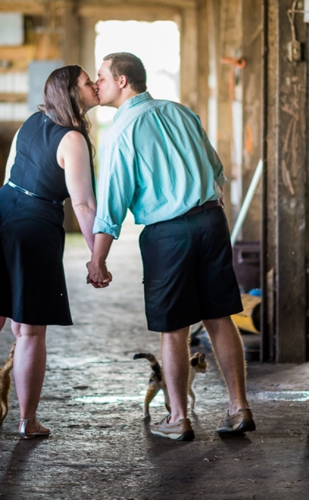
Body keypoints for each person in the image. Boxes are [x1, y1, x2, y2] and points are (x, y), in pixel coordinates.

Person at [87, 52, 252, 442]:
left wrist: (98, 257)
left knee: (173, 329)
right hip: (211, 220)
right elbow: (216, 171)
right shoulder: (181, 112)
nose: (97, 85)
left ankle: (178, 418)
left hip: (167, 233)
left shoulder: (121, 131)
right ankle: (238, 407)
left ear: (123, 81)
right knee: (219, 317)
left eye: (102, 78)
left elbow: (112, 203)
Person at [0, 66, 100, 437]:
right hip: (34, 225)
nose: (95, 86)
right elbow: (82, 205)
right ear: (71, 92)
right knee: (30, 332)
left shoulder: (31, 121)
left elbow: (9, 174)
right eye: (87, 82)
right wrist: (97, 255)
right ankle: (28, 421)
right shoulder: (73, 139)